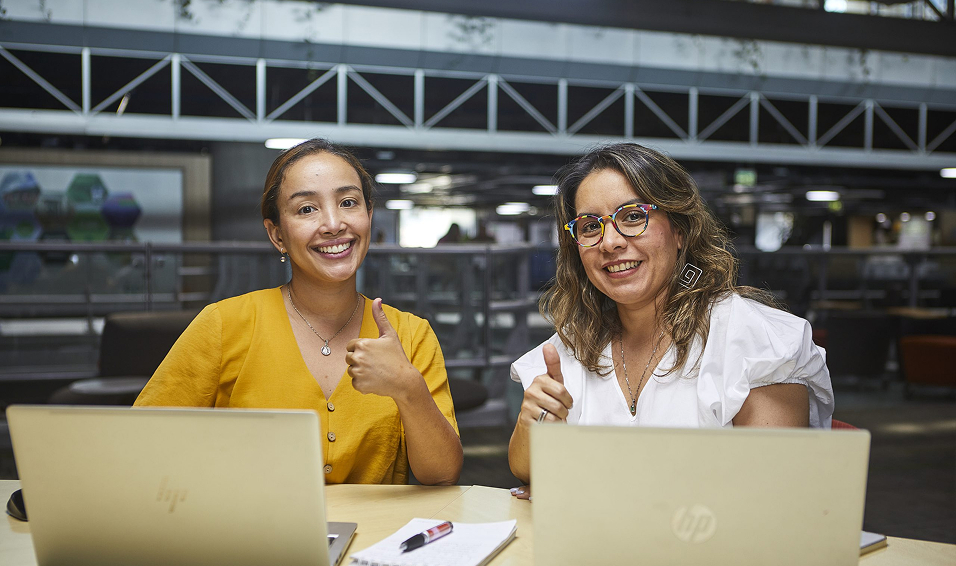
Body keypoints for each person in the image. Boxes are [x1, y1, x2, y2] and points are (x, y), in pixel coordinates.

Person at [508, 143, 832, 496]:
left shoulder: (753, 339)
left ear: (680, 230)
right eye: (589, 226)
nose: (610, 242)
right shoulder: (573, 344)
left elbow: (772, 497)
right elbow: (525, 471)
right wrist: (532, 424)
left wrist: (590, 487)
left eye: (632, 216)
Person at [135, 138, 463, 486]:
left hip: (376, 539)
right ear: (277, 234)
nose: (334, 224)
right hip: (255, 536)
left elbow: (442, 474)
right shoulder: (223, 325)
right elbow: (139, 445)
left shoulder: (411, 334)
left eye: (348, 202)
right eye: (307, 209)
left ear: (369, 216)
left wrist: (407, 388)